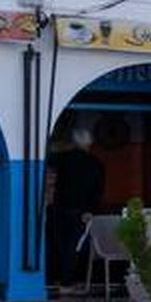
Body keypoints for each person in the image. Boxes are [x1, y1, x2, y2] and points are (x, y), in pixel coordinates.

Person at [44, 120, 106, 293]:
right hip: (81, 212)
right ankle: (66, 282)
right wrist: (91, 211)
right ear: (90, 143)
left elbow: (46, 156)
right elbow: (98, 191)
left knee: (55, 245)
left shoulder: (63, 158)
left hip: (59, 209)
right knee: (73, 247)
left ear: (73, 142)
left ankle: (51, 279)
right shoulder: (96, 164)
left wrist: (62, 146)